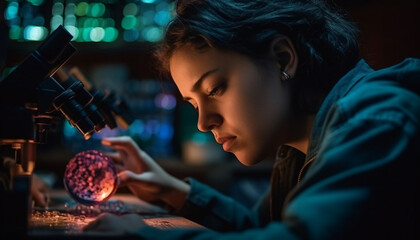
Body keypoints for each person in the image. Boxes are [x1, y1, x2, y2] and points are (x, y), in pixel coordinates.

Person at [83, 0, 420, 239]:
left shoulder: (376, 119)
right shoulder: (298, 148)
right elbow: (263, 228)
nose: (204, 123)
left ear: (283, 58)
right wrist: (173, 191)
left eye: (215, 89)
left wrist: (144, 236)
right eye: (192, 103)